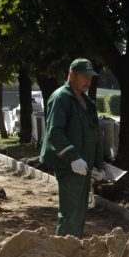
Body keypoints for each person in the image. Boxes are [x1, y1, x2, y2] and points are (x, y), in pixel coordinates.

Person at [39, 58, 106, 238]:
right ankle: (64, 251)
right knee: (71, 211)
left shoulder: (87, 102)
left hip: (84, 166)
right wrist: (73, 158)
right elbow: (55, 132)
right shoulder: (62, 97)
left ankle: (72, 248)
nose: (88, 81)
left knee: (80, 210)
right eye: (84, 77)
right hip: (70, 166)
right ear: (71, 75)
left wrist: (98, 165)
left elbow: (94, 136)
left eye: (90, 77)